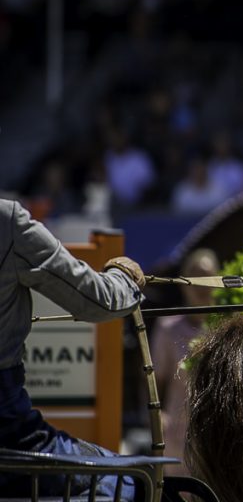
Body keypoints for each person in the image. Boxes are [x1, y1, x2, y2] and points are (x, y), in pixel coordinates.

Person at [0, 198, 145, 499]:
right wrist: (125, 277)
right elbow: (96, 300)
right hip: (11, 435)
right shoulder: (6, 221)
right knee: (133, 482)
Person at [150, 248, 220, 476]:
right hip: (177, 435)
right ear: (184, 283)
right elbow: (154, 381)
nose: (202, 285)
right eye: (196, 277)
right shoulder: (167, 328)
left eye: (208, 277)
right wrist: (157, 417)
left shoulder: (225, 330)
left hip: (216, 433)